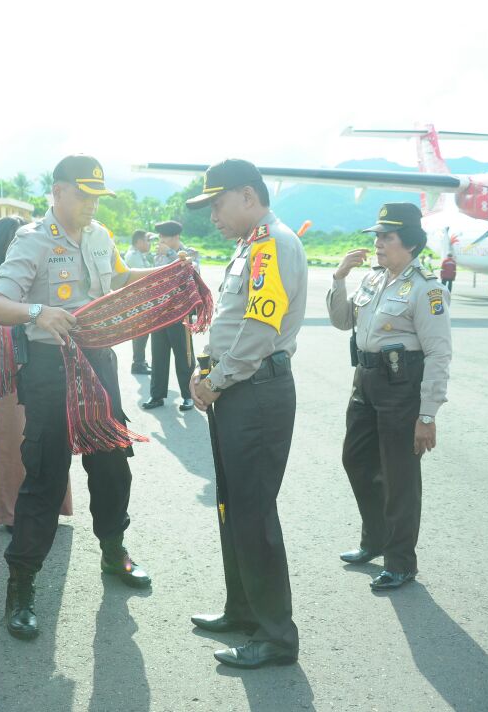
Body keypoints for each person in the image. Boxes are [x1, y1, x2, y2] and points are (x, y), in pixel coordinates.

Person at [0, 154, 163, 640]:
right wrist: (38, 311)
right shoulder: (32, 241)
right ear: (58, 191)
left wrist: (164, 276)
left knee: (111, 464)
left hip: (99, 363)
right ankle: (21, 586)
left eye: (95, 196)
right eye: (81, 194)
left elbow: (120, 279)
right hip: (50, 370)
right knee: (44, 476)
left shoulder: (101, 236)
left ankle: (113, 552)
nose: (89, 204)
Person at [185, 159, 307, 670]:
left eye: (216, 203)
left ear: (247, 196)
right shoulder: (249, 245)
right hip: (238, 390)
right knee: (233, 508)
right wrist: (207, 371)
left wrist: (214, 380)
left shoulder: (271, 245)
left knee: (254, 516)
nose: (212, 214)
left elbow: (258, 331)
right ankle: (244, 610)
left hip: (254, 393)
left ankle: (276, 636)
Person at [327, 202, 452, 591]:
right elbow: (342, 320)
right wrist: (339, 277)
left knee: (400, 476)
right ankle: (375, 538)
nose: (379, 243)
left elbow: (438, 354)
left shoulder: (426, 289)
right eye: (377, 236)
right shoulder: (372, 279)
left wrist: (427, 415)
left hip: (401, 387)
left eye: (388, 237)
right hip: (364, 380)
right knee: (355, 460)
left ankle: (400, 561)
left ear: (410, 243)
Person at [0, 215, 73, 529]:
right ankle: (11, 513)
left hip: (39, 360)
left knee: (48, 435)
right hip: (6, 362)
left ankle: (49, 505)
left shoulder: (42, 262)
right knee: (11, 439)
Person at [143, 220, 201, 412]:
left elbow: (192, 272)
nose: (160, 240)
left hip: (180, 312)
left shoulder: (190, 252)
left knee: (184, 356)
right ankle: (157, 395)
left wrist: (169, 254)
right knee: (158, 355)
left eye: (164, 237)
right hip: (160, 312)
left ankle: (188, 395)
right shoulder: (158, 255)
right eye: (159, 237)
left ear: (175, 237)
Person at [125, 229, 153, 374]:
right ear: (139, 242)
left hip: (141, 299)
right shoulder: (134, 256)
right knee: (139, 333)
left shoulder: (140, 255)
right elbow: (143, 279)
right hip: (137, 300)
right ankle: (138, 363)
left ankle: (140, 362)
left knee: (142, 333)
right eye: (147, 240)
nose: (149, 244)